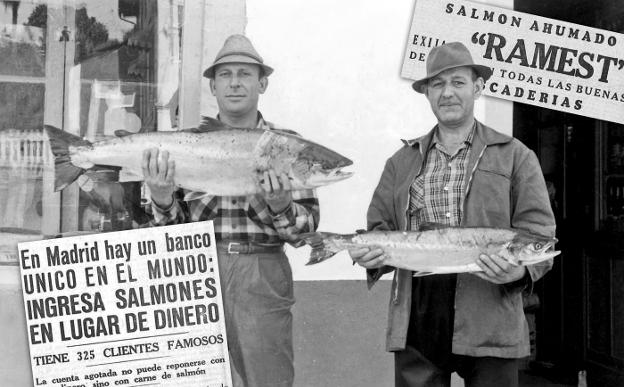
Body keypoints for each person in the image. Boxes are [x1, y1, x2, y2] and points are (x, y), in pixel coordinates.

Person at [348, 42, 556, 387]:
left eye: (458, 82)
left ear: (478, 87)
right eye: (437, 84)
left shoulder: (516, 156)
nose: (448, 93)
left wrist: (519, 273)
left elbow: (538, 232)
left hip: (491, 309)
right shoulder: (400, 162)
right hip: (418, 312)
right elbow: (380, 229)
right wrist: (370, 257)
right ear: (426, 93)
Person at [142, 34, 319, 387]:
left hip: (262, 273)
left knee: (267, 381)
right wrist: (161, 198)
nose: (235, 83)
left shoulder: (288, 146)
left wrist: (283, 205)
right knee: (193, 380)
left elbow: (305, 233)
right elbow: (169, 233)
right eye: (225, 75)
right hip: (194, 270)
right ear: (213, 85)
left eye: (245, 74)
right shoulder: (182, 144)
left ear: (262, 83)